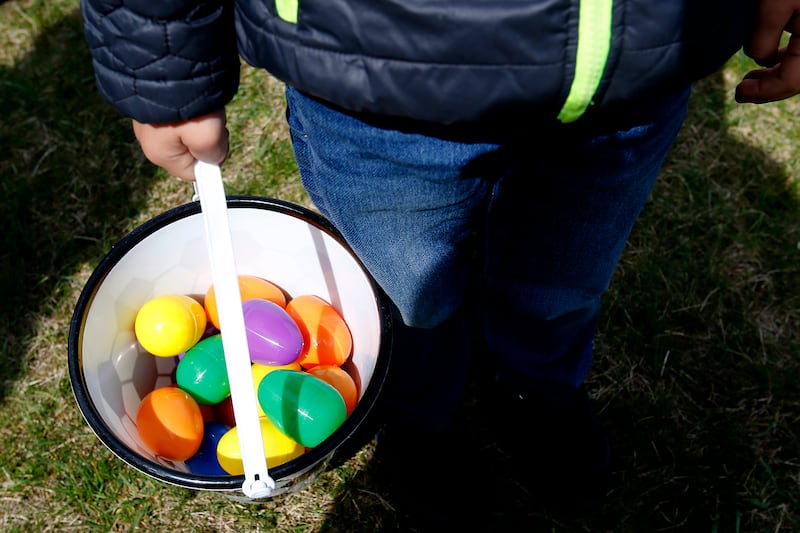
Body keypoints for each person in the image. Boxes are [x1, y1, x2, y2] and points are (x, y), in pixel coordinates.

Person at [80, 0, 800, 525]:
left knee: (563, 278)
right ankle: (425, 418)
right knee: (409, 293)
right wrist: (162, 60)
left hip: (639, 62)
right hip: (375, 72)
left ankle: (536, 391)